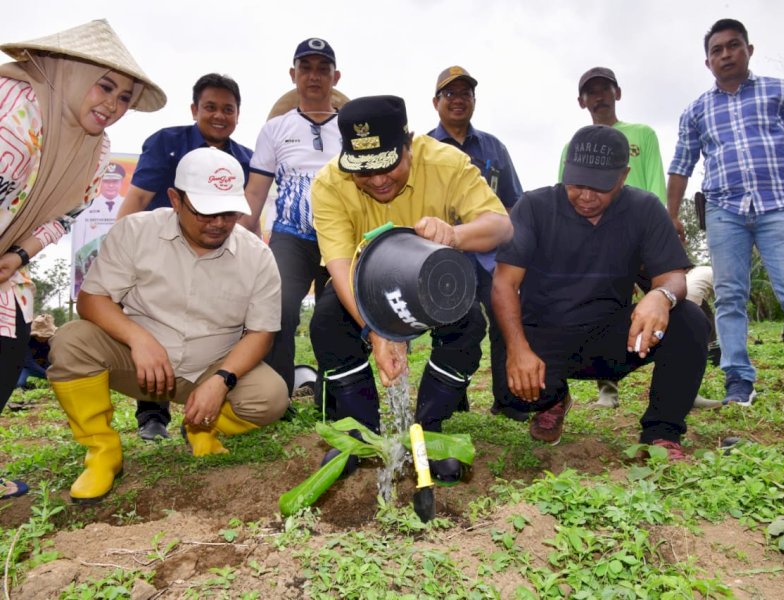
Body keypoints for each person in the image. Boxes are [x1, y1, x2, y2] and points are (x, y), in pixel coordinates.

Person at [47, 148, 288, 504]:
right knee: (71, 341)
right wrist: (138, 339)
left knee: (271, 398)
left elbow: (262, 333)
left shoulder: (257, 255)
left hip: (209, 368)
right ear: (175, 199)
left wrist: (222, 380)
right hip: (139, 363)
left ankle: (200, 428)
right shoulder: (135, 231)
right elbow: (91, 300)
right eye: (206, 211)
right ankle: (102, 452)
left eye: (230, 212)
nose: (219, 223)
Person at [0, 19, 165, 501]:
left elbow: (68, 212)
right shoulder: (13, 110)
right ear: (66, 72)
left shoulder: (97, 151)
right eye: (105, 87)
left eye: (123, 99)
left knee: (9, 348)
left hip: (6, 263)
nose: (112, 106)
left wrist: (20, 253)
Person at [310, 95, 512, 481]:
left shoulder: (445, 163)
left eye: (388, 165)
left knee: (467, 322)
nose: (379, 180)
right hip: (363, 277)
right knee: (327, 321)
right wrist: (375, 331)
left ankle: (429, 429)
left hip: (433, 276)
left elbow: (501, 225)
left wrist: (455, 233)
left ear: (409, 146)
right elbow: (337, 264)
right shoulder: (329, 183)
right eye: (364, 171)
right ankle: (359, 432)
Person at [493, 125, 709, 460]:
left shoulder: (645, 209)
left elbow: (673, 277)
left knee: (689, 319)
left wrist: (660, 296)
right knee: (513, 392)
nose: (586, 196)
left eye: (600, 186)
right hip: (546, 336)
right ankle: (553, 398)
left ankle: (661, 432)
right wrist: (518, 349)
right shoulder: (534, 207)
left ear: (623, 176)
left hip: (613, 338)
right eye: (577, 184)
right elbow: (504, 283)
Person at [560, 66, 716, 409]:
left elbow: (654, 183)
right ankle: (607, 391)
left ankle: (685, 386)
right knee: (604, 308)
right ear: (581, 101)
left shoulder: (642, 135)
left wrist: (664, 225)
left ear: (617, 93)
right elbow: (565, 197)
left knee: (680, 304)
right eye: (591, 91)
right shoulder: (575, 145)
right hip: (597, 244)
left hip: (642, 238)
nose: (598, 96)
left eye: (605, 89)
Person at [667, 18, 784, 406]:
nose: (725, 54)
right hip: (725, 211)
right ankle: (738, 380)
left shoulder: (780, 92)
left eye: (733, 46)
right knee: (728, 296)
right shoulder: (696, 111)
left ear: (749, 50)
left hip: (782, 204)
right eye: (716, 50)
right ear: (708, 62)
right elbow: (681, 164)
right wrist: (671, 215)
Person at [116, 73, 253, 441]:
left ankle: (207, 411)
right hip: (160, 255)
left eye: (228, 109)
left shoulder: (244, 159)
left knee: (218, 331)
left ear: (238, 114)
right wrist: (119, 247)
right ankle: (152, 413)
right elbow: (139, 198)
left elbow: (247, 220)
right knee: (152, 323)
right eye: (210, 107)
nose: (219, 116)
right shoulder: (167, 143)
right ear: (195, 109)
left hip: (216, 257)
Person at [241, 38, 343, 395]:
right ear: (293, 75)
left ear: (336, 76)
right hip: (290, 236)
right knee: (279, 307)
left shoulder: (352, 128)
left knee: (336, 314)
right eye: (306, 68)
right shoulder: (274, 129)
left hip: (341, 238)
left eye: (322, 69)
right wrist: (236, 238)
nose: (314, 76)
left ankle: (336, 397)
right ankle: (277, 394)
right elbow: (254, 192)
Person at [427, 66, 523, 420]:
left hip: (492, 255)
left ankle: (509, 401)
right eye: (449, 94)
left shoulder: (494, 148)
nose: (458, 100)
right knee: (454, 324)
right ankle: (453, 398)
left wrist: (518, 248)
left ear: (474, 101)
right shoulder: (424, 148)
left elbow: (514, 202)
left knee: (505, 318)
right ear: (435, 102)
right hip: (444, 255)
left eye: (465, 93)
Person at [71, 162, 126, 299]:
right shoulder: (86, 206)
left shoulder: (128, 205)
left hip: (122, 267)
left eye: (115, 181)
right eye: (107, 181)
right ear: (100, 182)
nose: (111, 185)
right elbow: (80, 242)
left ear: (121, 183)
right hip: (92, 267)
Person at [15, 314, 57, 389]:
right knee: (19, 384)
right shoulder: (27, 341)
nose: (42, 338)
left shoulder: (53, 341)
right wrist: (46, 374)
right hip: (28, 368)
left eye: (45, 336)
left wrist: (50, 373)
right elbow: (28, 362)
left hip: (47, 368)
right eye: (39, 336)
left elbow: (52, 358)